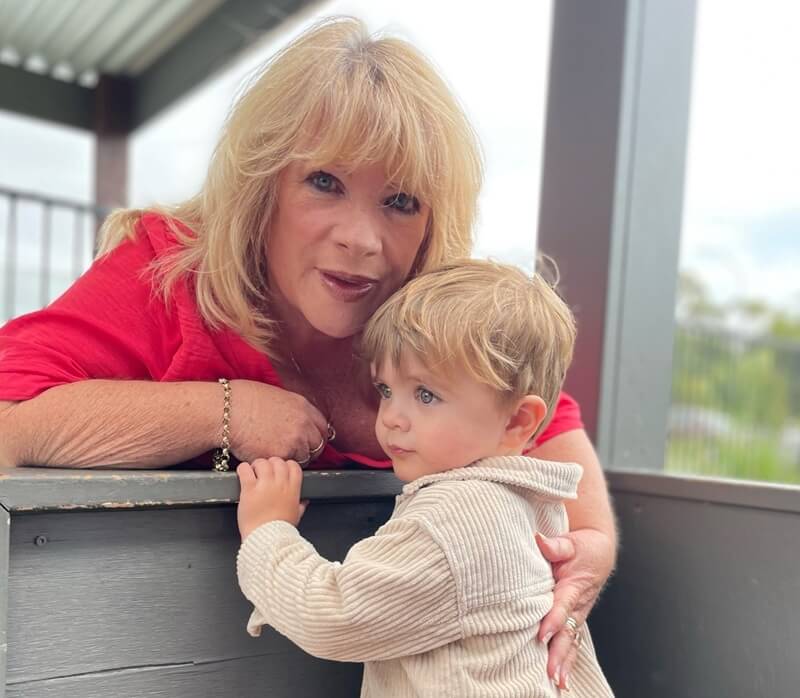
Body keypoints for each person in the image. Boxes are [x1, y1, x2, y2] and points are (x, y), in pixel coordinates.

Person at [0, 17, 616, 687]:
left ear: (432, 224)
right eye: (324, 182)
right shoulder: (167, 273)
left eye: (401, 201)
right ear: (262, 185)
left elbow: (541, 419)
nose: (362, 238)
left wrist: (590, 549)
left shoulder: (432, 312)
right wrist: (225, 412)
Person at [236, 259, 614, 697]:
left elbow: (334, 616)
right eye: (385, 390)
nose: (392, 418)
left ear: (516, 421)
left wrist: (268, 532)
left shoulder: (454, 520)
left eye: (426, 395)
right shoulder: (525, 501)